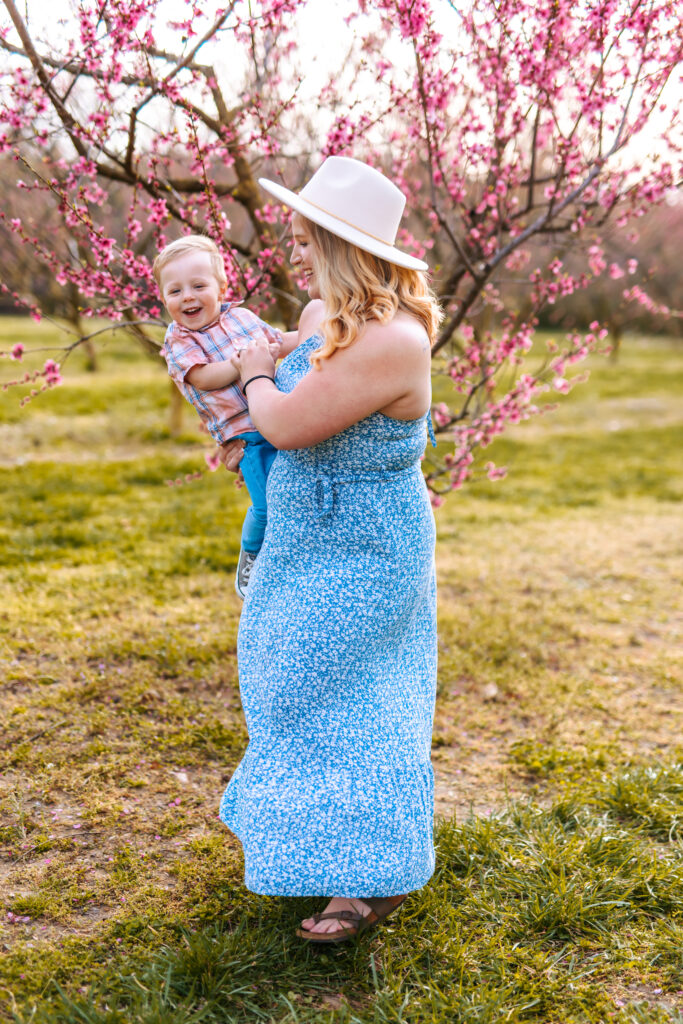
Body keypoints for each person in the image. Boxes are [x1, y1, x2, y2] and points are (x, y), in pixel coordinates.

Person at [218, 156, 441, 943]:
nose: (300, 249)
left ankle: (366, 877)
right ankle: (309, 841)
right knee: (288, 684)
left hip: (365, 548)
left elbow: (284, 421)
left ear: (340, 245)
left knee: (358, 699)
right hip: (306, 534)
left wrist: (251, 379)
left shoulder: (395, 341)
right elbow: (296, 374)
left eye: (310, 238)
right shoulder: (325, 317)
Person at [153, 235, 298, 598]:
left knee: (295, 497)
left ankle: (290, 560)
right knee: (267, 504)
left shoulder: (243, 318)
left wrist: (321, 334)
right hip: (246, 434)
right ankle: (251, 554)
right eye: (175, 291)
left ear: (221, 287)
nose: (187, 296)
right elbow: (201, 377)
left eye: (198, 286)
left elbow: (278, 342)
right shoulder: (179, 340)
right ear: (164, 298)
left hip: (280, 412)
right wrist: (238, 365)